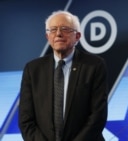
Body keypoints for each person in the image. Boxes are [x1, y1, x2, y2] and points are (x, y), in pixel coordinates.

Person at [18, 10, 109, 141]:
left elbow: (98, 116)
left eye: (65, 29)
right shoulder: (33, 70)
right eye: (53, 30)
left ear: (77, 36)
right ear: (47, 37)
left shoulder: (94, 65)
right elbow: (25, 119)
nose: (58, 34)